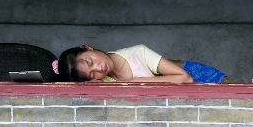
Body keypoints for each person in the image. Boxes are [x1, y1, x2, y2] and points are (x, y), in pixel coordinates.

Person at [53, 44, 230, 84]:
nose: (99, 68)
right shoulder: (103, 83)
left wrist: (130, 83)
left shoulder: (139, 53)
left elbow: (185, 78)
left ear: (87, 47)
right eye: (92, 74)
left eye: (91, 61)